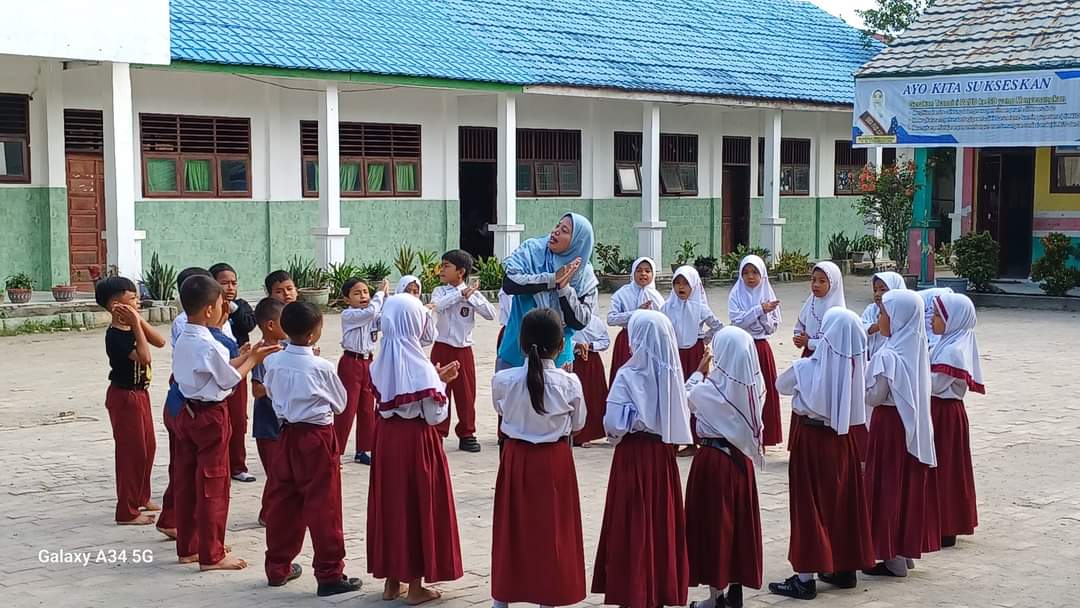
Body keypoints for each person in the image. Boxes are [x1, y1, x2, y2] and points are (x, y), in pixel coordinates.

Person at [171, 275, 278, 571]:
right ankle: (211, 553)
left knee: (188, 482)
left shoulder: (185, 336)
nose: (224, 309)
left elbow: (215, 370)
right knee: (213, 485)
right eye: (221, 304)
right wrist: (253, 361)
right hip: (210, 415)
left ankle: (190, 546)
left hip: (187, 411)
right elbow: (228, 380)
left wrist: (246, 357)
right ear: (209, 310)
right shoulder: (209, 343)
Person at [769, 308, 875, 600]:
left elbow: (781, 385)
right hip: (843, 440)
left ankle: (805, 576)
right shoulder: (857, 370)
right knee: (841, 502)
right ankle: (844, 568)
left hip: (812, 439)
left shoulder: (809, 368)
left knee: (810, 504)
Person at [592, 310, 693, 608]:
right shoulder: (671, 374)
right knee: (659, 520)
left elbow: (613, 424)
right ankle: (660, 587)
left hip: (633, 455)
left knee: (632, 520)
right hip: (662, 457)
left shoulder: (627, 375)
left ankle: (633, 590)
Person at [261, 302, 363, 597]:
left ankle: (277, 566)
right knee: (324, 505)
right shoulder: (321, 366)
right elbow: (340, 403)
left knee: (283, 500)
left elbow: (269, 392)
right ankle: (330, 572)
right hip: (316, 436)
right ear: (312, 334)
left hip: (286, 434)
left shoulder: (274, 361)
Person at [367, 294, 463, 605]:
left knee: (392, 504)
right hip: (416, 442)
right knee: (418, 504)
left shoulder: (380, 362)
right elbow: (435, 415)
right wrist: (443, 382)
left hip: (386, 441)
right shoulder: (421, 368)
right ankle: (416, 585)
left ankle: (392, 582)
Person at [490, 308, 587, 608]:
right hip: (554, 459)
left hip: (516, 456)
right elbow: (580, 423)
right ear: (561, 346)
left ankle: (502, 597)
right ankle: (549, 594)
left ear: (520, 343)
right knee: (552, 529)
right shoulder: (569, 383)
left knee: (512, 528)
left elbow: (501, 412)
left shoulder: (503, 379)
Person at [684, 327, 765, 608]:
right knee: (739, 526)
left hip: (714, 461)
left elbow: (686, 398)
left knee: (715, 527)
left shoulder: (710, 390)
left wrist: (698, 371)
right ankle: (736, 588)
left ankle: (715, 597)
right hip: (741, 461)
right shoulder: (756, 387)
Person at [863, 290, 940, 577]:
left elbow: (875, 396)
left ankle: (889, 553)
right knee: (904, 483)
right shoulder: (916, 348)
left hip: (888, 426)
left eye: (884, 313)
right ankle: (904, 550)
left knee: (886, 485)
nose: (880, 318)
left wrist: (859, 382)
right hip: (911, 427)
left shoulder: (888, 355)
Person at [96, 276, 166, 526]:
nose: (138, 301)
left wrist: (138, 320)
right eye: (132, 298)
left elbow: (160, 342)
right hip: (124, 396)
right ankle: (126, 511)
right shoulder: (115, 336)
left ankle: (141, 496)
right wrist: (135, 325)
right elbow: (145, 357)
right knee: (130, 454)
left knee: (148, 447)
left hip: (141, 393)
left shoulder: (133, 325)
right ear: (117, 305)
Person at [498, 213, 598, 370]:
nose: (556, 231)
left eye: (564, 230)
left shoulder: (585, 276)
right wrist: (551, 279)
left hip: (558, 362)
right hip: (516, 354)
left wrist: (564, 289)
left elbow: (579, 322)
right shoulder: (531, 251)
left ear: (578, 241)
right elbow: (510, 284)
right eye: (557, 226)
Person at [929, 293, 983, 548]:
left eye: (938, 315)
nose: (932, 319)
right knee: (946, 467)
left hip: (943, 413)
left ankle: (946, 524)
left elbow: (934, 384)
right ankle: (942, 522)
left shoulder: (952, 351)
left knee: (945, 469)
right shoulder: (946, 343)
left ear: (954, 320)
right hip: (943, 412)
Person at [430, 250, 497, 452]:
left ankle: (467, 433)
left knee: (466, 394)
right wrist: (459, 294)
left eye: (447, 266)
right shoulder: (439, 291)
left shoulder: (472, 295)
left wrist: (471, 296)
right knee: (440, 391)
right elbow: (438, 307)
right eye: (442, 265)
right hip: (441, 347)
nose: (442, 269)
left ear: (461, 272)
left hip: (463, 350)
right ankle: (438, 431)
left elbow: (490, 314)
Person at [663, 265, 722, 456]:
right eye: (677, 283)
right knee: (675, 395)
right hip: (675, 355)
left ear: (694, 285)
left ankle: (694, 441)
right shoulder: (667, 307)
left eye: (685, 283)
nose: (681, 287)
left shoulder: (700, 307)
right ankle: (673, 440)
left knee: (696, 396)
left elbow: (718, 326)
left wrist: (703, 338)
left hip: (695, 356)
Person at [790, 261, 846, 452]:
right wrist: (799, 337)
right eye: (813, 280)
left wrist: (810, 342)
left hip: (827, 359)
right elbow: (800, 323)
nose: (816, 285)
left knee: (821, 398)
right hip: (808, 357)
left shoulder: (838, 311)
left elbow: (834, 342)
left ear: (834, 284)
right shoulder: (811, 302)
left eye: (822, 281)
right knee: (804, 394)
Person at [727, 255, 782, 448]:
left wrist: (764, 314)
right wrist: (759, 310)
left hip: (761, 347)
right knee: (743, 391)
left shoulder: (768, 294)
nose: (750, 277)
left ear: (763, 275)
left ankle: (764, 437)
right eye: (745, 273)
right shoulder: (735, 294)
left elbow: (772, 327)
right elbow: (737, 321)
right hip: (742, 348)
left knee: (764, 390)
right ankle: (743, 434)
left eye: (755, 272)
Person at [210, 263, 257, 482]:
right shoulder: (208, 311)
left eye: (234, 283)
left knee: (238, 419)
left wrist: (232, 309)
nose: (230, 287)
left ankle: (237, 465)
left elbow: (248, 324)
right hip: (220, 370)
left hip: (240, 368)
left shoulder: (241, 307)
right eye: (224, 283)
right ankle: (220, 465)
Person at [336, 277, 389, 465]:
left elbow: (385, 320)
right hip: (351, 362)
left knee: (367, 408)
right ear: (347, 299)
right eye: (357, 293)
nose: (363, 296)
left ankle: (363, 449)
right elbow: (372, 310)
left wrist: (388, 300)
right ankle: (336, 450)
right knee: (347, 408)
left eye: (366, 292)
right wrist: (381, 293)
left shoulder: (371, 314)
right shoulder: (349, 315)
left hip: (369, 363)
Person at [251, 297, 286, 526]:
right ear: (271, 325)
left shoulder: (287, 349)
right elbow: (257, 390)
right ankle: (268, 513)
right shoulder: (261, 353)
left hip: (284, 421)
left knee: (283, 472)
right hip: (267, 422)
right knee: (275, 473)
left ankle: (277, 509)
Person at [606, 257, 664, 384]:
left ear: (653, 274)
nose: (643, 274)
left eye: (647, 271)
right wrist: (636, 313)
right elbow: (610, 319)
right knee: (626, 380)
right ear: (633, 273)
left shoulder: (657, 297)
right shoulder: (622, 294)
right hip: (627, 340)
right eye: (639, 270)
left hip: (650, 340)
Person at [571, 312, 610, 447]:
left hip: (591, 360)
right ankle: (574, 433)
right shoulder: (565, 317)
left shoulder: (595, 320)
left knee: (593, 394)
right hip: (572, 359)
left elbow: (605, 341)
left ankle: (589, 433)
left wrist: (590, 345)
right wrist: (576, 345)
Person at [861, 271, 907, 359]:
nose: (877, 294)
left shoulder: (904, 313)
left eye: (882, 290)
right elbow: (861, 328)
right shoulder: (871, 309)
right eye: (875, 290)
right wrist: (879, 325)